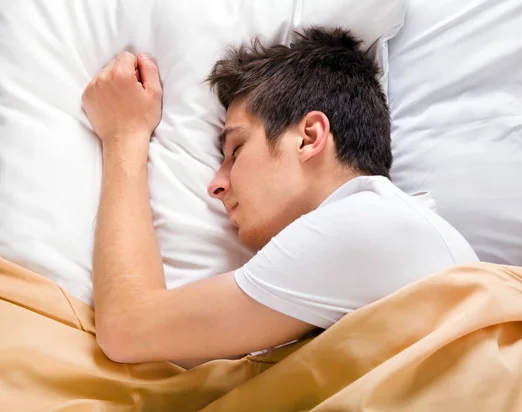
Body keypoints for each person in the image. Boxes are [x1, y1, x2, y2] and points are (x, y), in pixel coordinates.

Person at [81, 27, 479, 367]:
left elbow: (128, 329)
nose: (216, 185)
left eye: (236, 149)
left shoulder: (361, 226)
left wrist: (124, 136)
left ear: (309, 137)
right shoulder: (385, 224)